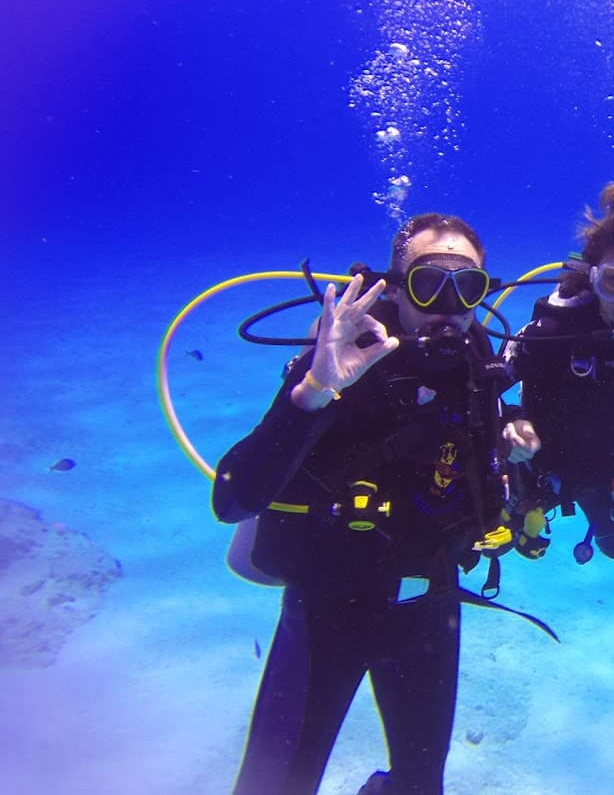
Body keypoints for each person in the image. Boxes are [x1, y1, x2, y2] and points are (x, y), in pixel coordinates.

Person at [212, 213, 520, 795]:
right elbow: (234, 498)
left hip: (428, 600)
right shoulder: (338, 360)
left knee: (420, 786)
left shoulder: (478, 367)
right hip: (327, 604)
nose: (448, 306)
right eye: (430, 284)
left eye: (468, 287)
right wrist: (314, 390)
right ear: (398, 287)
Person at [501, 181, 614, 581]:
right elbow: (484, 382)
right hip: (547, 470)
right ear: (592, 282)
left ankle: (602, 522)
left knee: (613, 539)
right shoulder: (552, 333)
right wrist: (510, 420)